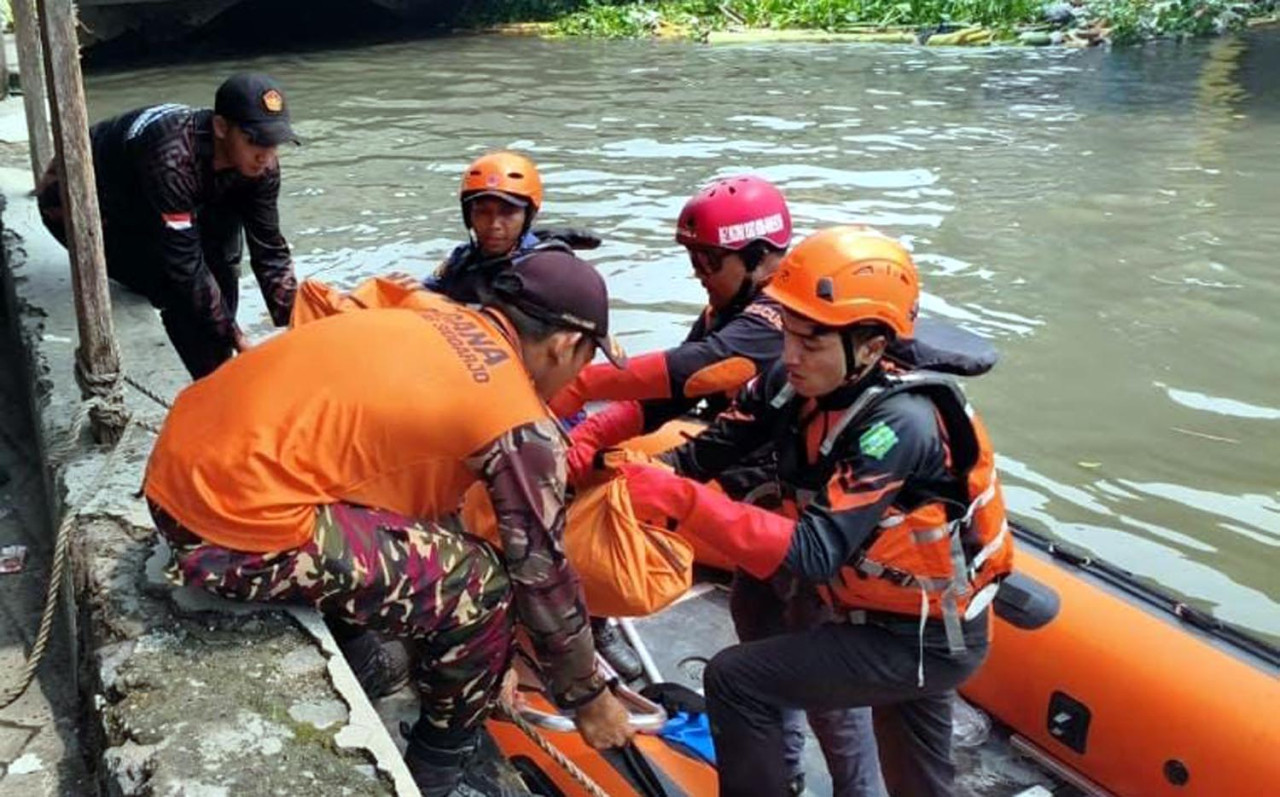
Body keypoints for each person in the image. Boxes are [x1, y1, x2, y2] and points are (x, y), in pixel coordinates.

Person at [143, 249, 635, 795]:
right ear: (565, 344)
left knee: (401, 521)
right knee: (483, 587)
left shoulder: (429, 313)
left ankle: (365, 661)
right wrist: (588, 699)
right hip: (222, 528)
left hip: (173, 474)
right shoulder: (519, 420)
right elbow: (542, 575)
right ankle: (440, 769)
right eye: (586, 359)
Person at [596, 226, 1014, 796]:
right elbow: (703, 453)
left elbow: (816, 553)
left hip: (922, 637)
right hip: (876, 611)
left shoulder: (900, 425)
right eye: (788, 334)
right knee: (920, 781)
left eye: (811, 343)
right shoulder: (792, 383)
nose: (790, 356)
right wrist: (616, 473)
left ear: (871, 347)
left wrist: (679, 498)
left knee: (737, 680)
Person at [37, 73, 300, 379]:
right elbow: (185, 267)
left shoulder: (263, 166)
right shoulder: (171, 157)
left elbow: (270, 249)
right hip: (78, 204)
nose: (266, 157)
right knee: (174, 284)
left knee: (226, 256)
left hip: (157, 197)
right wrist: (236, 336)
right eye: (255, 141)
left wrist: (300, 323)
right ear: (220, 127)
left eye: (274, 143)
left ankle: (222, 367)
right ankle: (210, 383)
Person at [425, 150, 601, 304]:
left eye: (508, 213)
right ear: (468, 215)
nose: (494, 225)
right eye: (483, 212)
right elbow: (423, 296)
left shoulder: (548, 271)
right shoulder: (461, 260)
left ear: (527, 216)